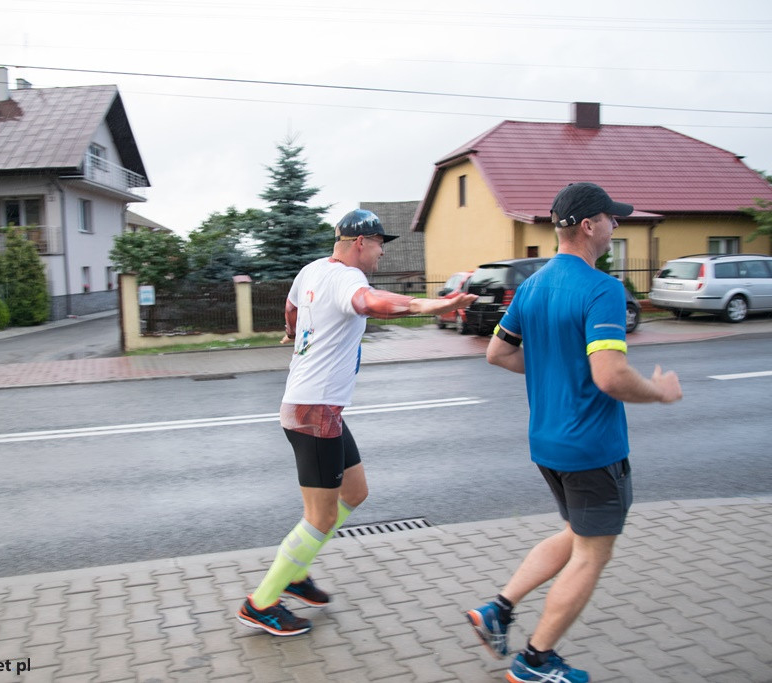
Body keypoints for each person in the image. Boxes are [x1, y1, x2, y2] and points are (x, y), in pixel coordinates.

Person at [464, 182, 682, 682]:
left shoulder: (533, 286)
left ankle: (499, 608)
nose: (617, 226)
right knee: (591, 553)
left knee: (575, 533)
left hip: (547, 444)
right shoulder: (602, 289)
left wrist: (552, 369)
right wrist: (658, 391)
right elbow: (609, 376)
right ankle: (535, 661)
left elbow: (498, 352)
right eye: (612, 218)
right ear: (589, 225)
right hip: (591, 447)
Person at [237, 209, 477, 636]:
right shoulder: (351, 280)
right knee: (320, 517)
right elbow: (373, 304)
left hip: (318, 408)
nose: (382, 254)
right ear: (360, 243)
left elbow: (291, 308)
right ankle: (262, 601)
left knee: (355, 491)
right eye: (381, 245)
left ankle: (296, 573)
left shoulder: (311, 270)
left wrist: (293, 334)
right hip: (314, 411)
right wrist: (434, 304)